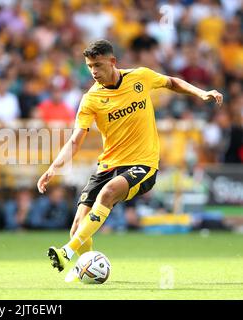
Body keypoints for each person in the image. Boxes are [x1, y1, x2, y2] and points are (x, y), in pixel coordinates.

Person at [36, 39, 223, 280]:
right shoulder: (90, 99)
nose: (93, 71)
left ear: (112, 61)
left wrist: (201, 92)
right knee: (77, 228)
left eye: (98, 65)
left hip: (142, 164)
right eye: (89, 66)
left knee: (108, 193)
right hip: (107, 165)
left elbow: (172, 82)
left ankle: (66, 252)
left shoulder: (140, 77)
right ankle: (86, 270)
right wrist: (53, 169)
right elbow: (75, 140)